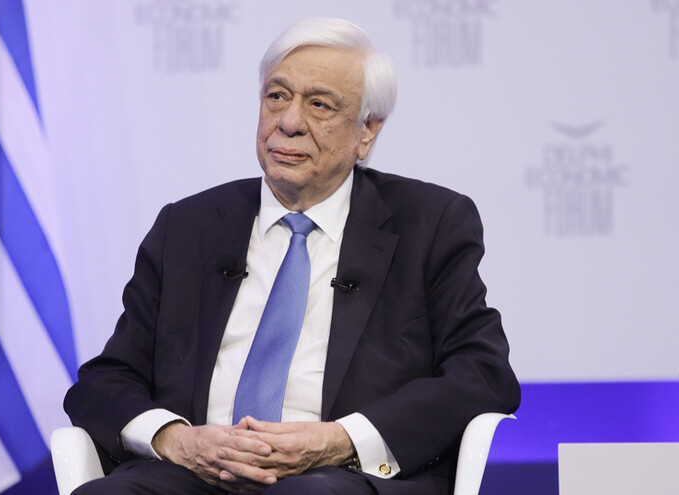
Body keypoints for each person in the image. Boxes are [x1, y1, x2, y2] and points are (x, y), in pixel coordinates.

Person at [64, 17, 520, 495]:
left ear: (367, 131)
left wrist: (339, 440)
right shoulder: (188, 226)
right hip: (195, 473)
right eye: (277, 96)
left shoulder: (430, 224)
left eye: (319, 104)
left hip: (341, 476)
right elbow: (104, 382)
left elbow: (483, 375)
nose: (289, 122)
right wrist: (175, 440)